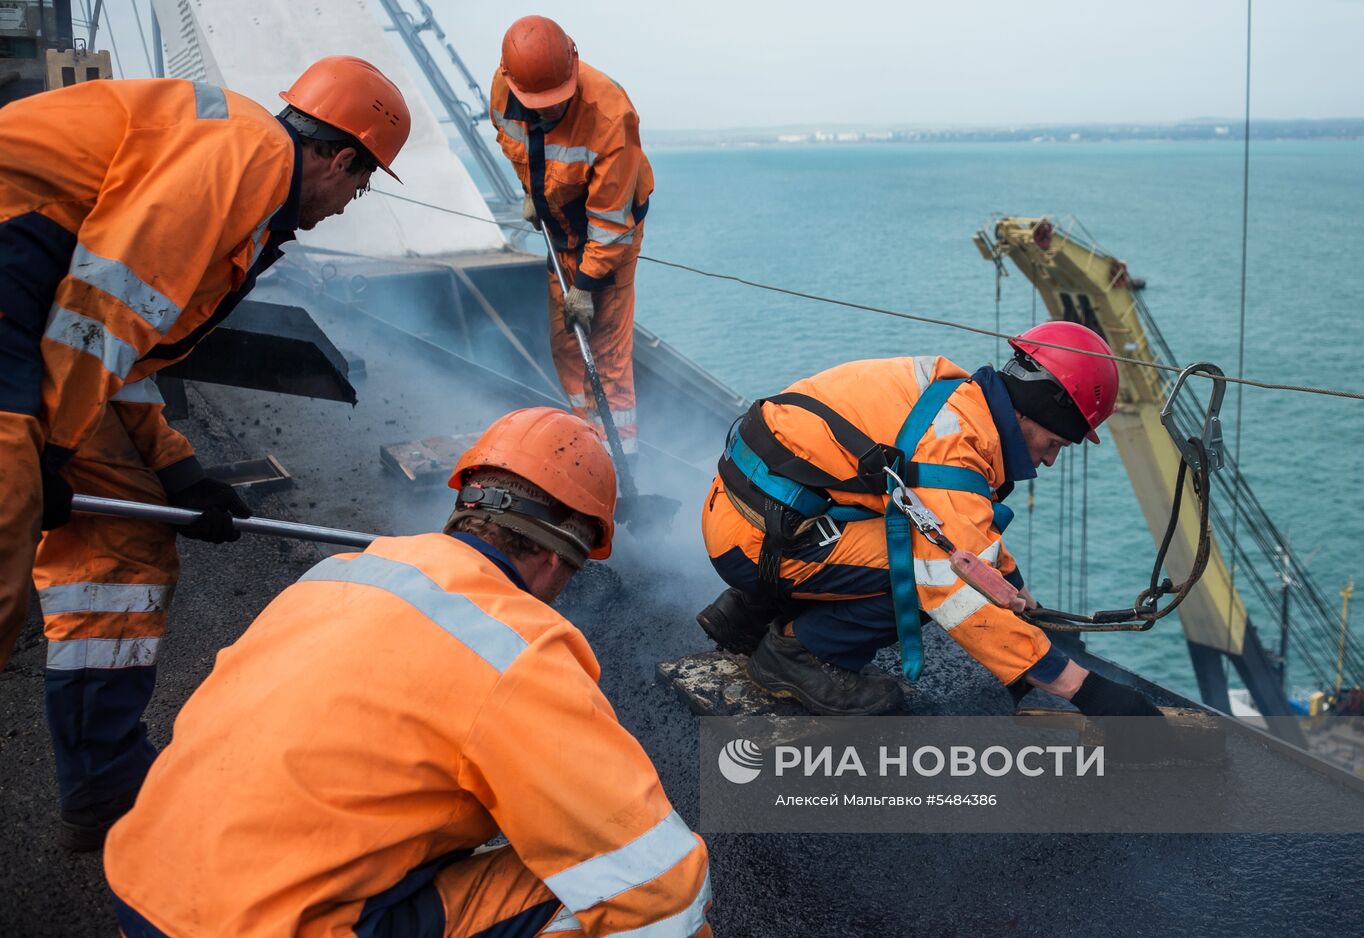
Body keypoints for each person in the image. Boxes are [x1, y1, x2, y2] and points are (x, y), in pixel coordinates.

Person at [0, 56, 411, 849]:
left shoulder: (248, 192)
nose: (347, 205)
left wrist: (178, 471)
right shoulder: (246, 158)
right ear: (340, 159)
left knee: (124, 542)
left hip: (38, 312)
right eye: (359, 188)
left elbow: (126, 352)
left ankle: (104, 788)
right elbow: (103, 308)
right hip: (15, 281)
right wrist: (46, 450)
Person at [104, 407, 713, 938]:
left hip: (145, 890)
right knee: (603, 886)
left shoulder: (339, 574)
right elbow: (664, 888)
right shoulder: (518, 651)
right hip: (269, 926)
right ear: (558, 560)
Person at [697, 321, 1166, 719]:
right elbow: (954, 579)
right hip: (760, 538)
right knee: (924, 577)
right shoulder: (955, 446)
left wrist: (1017, 591)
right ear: (1042, 408)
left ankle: (750, 609)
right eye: (1055, 445)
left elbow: (956, 524)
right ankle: (799, 653)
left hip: (753, 514)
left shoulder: (956, 399)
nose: (1048, 462)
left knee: (920, 543)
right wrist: (1083, 689)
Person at [490, 15, 653, 461]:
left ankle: (623, 465)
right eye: (537, 103)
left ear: (573, 66)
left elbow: (611, 223)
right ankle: (587, 448)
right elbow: (516, 147)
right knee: (566, 345)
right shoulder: (506, 89)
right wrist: (532, 195)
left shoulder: (610, 115)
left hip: (605, 243)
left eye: (555, 102)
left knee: (606, 358)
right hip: (558, 231)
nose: (547, 110)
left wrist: (585, 286)